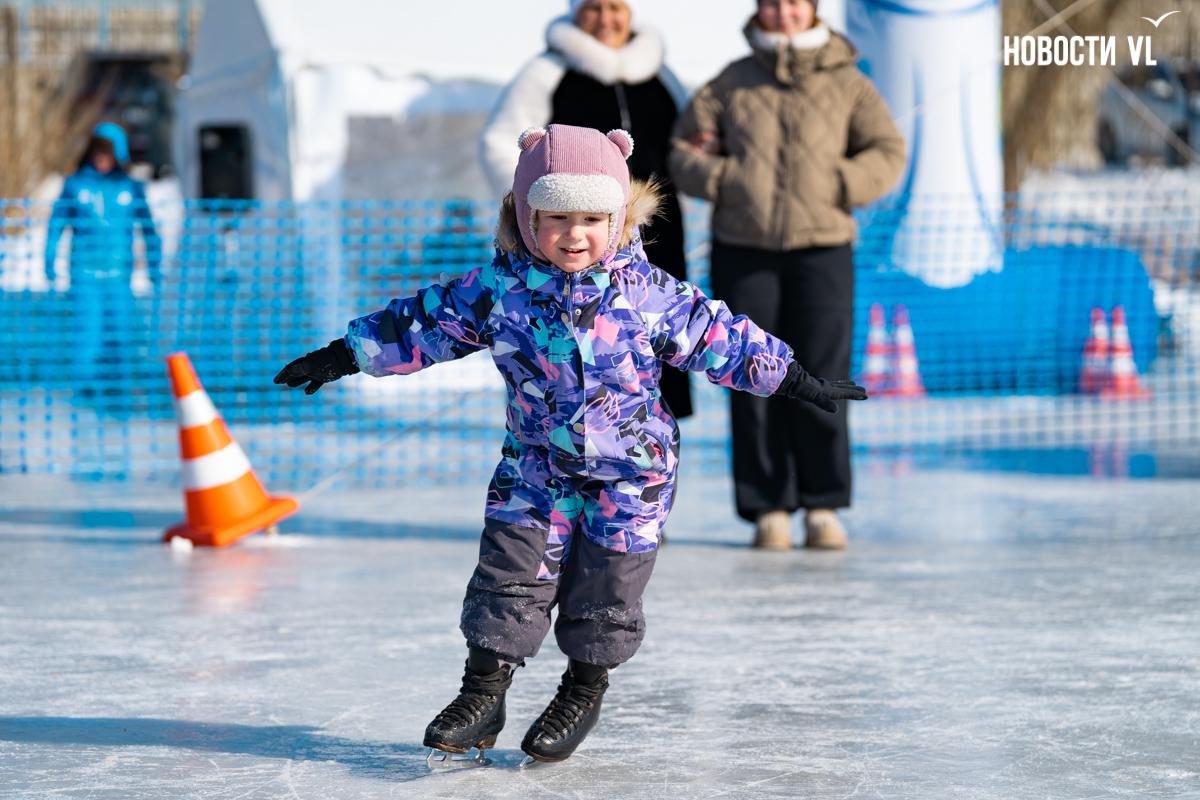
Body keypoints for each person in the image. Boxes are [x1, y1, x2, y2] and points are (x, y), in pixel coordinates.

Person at [274, 125, 866, 763]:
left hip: (633, 474)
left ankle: (583, 687)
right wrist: (344, 355)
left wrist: (795, 379)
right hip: (535, 468)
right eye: (557, 218)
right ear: (527, 219)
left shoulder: (647, 294)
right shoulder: (498, 290)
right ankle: (483, 692)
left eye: (591, 219)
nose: (575, 234)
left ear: (617, 219)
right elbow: (421, 321)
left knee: (608, 588)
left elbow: (720, 336)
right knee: (508, 575)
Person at [669, 0, 905, 551]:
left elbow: (888, 151)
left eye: (795, 2)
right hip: (743, 249)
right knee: (750, 371)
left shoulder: (849, 82)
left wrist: (840, 182)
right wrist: (727, 179)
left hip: (824, 249)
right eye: (773, 3)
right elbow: (682, 151)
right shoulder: (730, 82)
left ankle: (823, 504)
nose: (784, 13)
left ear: (812, 9)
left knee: (823, 371)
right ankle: (768, 507)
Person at [479, 0, 694, 419]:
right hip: (575, 242)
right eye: (594, 7)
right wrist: (536, 210)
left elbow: (685, 144)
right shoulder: (547, 72)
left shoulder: (659, 74)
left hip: (658, 236)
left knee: (661, 340)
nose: (606, 19)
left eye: (616, 8)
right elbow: (499, 143)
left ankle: (653, 437)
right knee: (577, 360)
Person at [45, 122, 162, 389]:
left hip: (119, 276)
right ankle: (86, 391)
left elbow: (148, 228)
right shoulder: (75, 185)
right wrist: (49, 259)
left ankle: (117, 392)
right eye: (98, 152)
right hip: (85, 275)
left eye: (108, 153)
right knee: (87, 336)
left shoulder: (131, 188)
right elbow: (56, 223)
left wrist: (154, 264)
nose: (102, 159)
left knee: (119, 336)